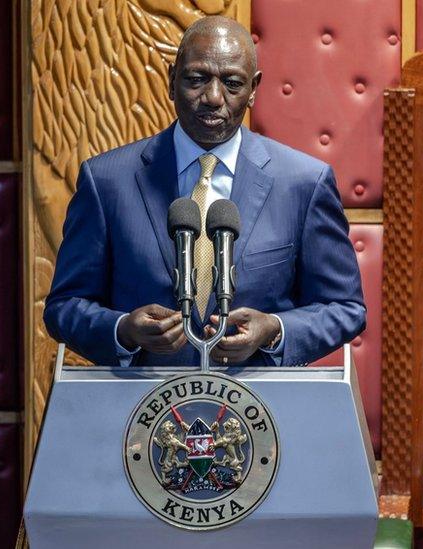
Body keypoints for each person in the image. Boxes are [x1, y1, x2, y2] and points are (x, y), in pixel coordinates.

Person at [44, 16, 365, 367]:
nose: (213, 98)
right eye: (197, 79)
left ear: (254, 88)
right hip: (144, 411)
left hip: (261, 411)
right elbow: (65, 307)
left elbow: (344, 308)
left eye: (232, 83)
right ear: (171, 80)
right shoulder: (106, 181)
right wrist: (123, 330)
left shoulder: (303, 183)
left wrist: (275, 329)